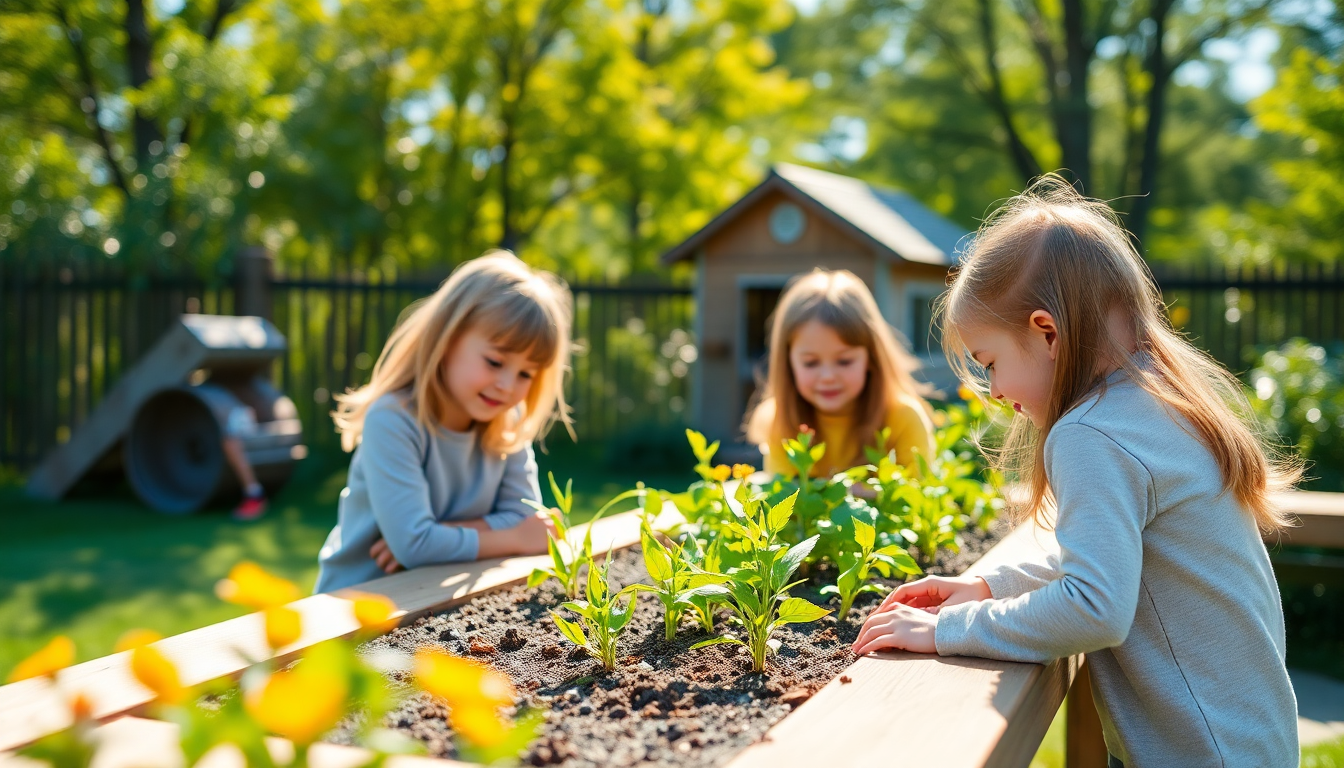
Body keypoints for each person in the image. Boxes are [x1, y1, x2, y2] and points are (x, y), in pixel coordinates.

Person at [852, 175, 1302, 768]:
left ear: (1047, 332)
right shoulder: (1159, 402)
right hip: (1249, 742)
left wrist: (947, 630)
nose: (995, 391)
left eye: (990, 363)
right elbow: (1120, 559)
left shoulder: (1090, 433)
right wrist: (992, 586)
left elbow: (1095, 607)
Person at [314, 251, 573, 594]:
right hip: (355, 610)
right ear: (447, 337)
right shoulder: (392, 420)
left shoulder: (507, 423)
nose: (508, 385)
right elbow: (419, 545)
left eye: (526, 373)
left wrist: (438, 535)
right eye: (495, 362)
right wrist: (510, 538)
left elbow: (526, 520)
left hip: (435, 600)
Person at [745, 268, 934, 478]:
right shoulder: (778, 420)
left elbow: (918, 494)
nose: (828, 376)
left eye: (844, 361)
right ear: (788, 363)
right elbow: (782, 497)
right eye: (810, 363)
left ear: (871, 357)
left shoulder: (904, 417)